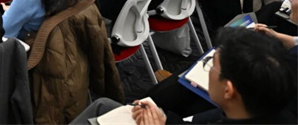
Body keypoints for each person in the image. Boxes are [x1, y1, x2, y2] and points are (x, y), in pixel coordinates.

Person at [70, 27, 297, 125]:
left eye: (210, 65)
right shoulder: (274, 112)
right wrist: (165, 120)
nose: (205, 69)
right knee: (102, 106)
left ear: (228, 90)